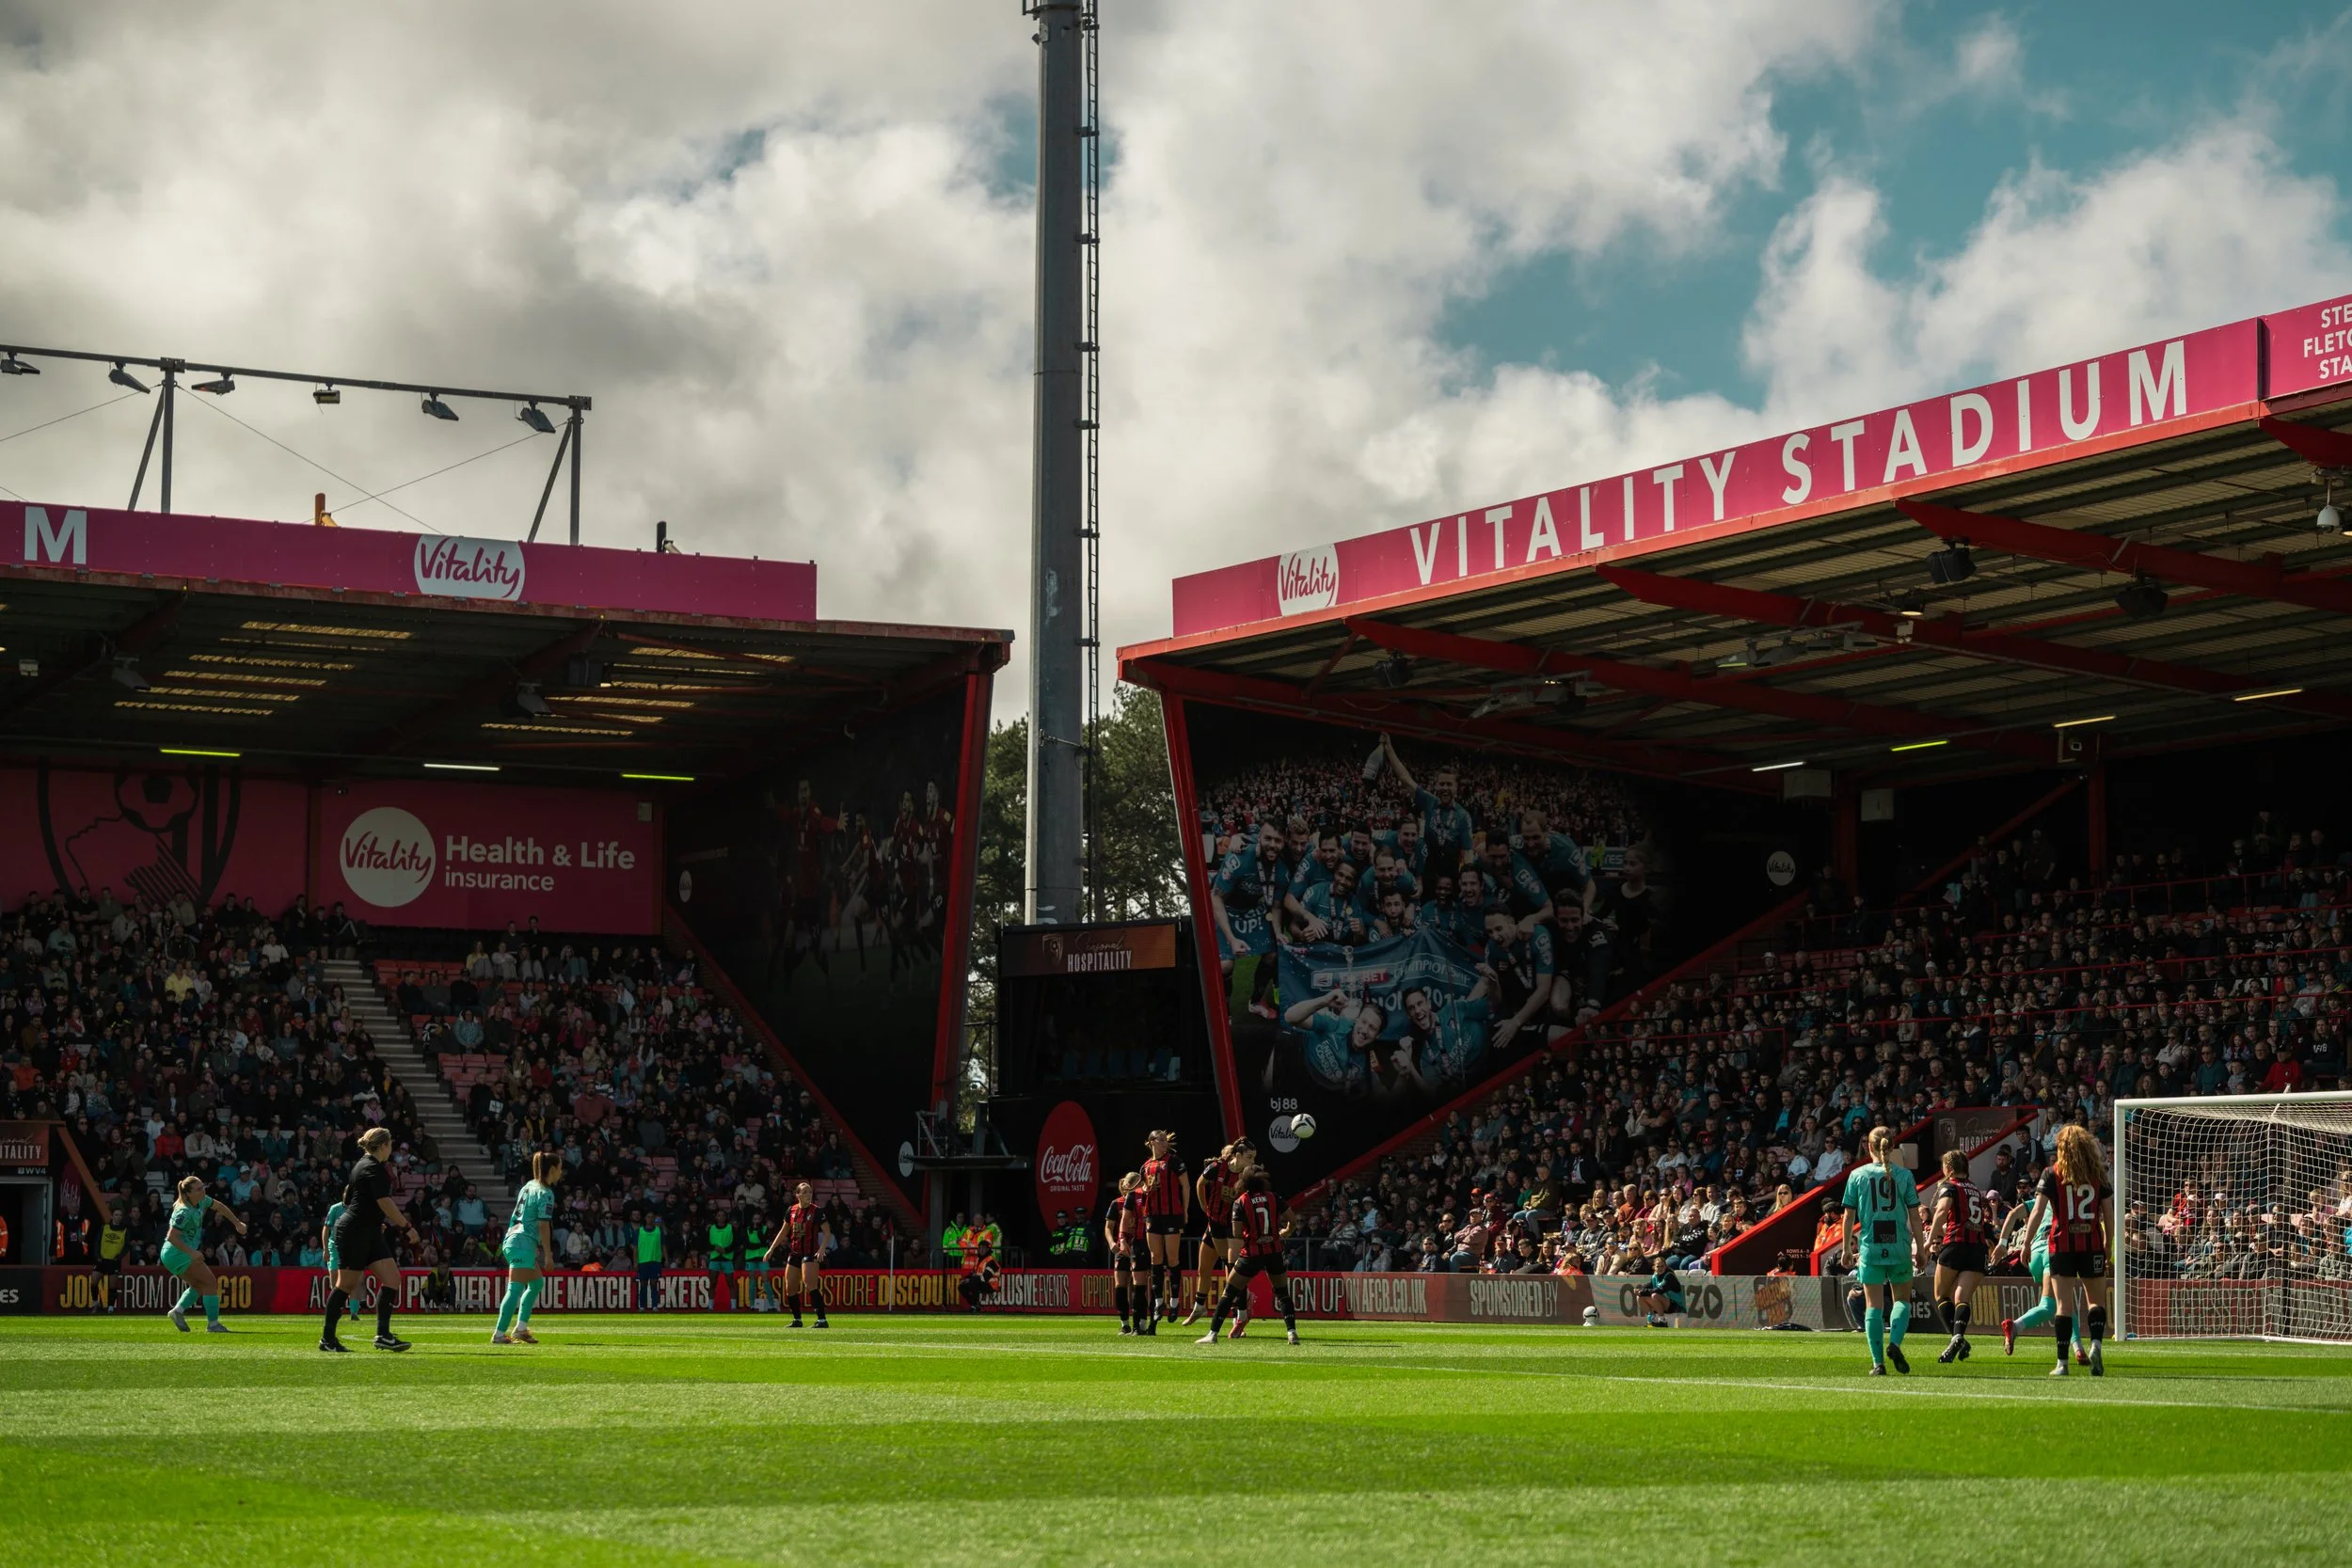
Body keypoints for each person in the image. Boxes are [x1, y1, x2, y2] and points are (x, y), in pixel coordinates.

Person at [2011, 1124, 2113, 1377]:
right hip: (2091, 1245)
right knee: (2095, 1302)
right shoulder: (2098, 1174)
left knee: (2063, 1307)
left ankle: (2062, 1364)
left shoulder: (2051, 1173)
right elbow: (2109, 1214)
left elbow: (2036, 1211)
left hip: (2062, 1245)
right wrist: (2108, 1244)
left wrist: (2026, 1243)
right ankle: (2096, 1346)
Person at [323, 1125, 421, 1354]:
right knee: (345, 1285)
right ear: (384, 1145)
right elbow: (384, 1201)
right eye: (390, 1145)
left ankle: (383, 1335)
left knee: (392, 1279)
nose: (391, 1150)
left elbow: (359, 1199)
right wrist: (407, 1227)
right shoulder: (373, 1167)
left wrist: (375, 1220)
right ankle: (327, 1339)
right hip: (355, 1231)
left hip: (368, 1230)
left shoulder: (365, 1165)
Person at [1838, 1125, 1926, 1376]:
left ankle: (1878, 1364)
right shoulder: (1905, 1176)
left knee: (1873, 1306)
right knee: (1902, 1300)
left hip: (1870, 1245)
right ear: (1893, 1146)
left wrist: (1846, 1247)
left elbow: (1848, 1216)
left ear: (1869, 1146)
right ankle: (1895, 1344)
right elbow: (1915, 1217)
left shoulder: (1857, 1175)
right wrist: (1920, 1248)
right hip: (1898, 1242)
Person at [1196, 1169, 1300, 1347]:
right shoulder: (1274, 1197)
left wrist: (1250, 1233)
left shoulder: (1241, 1202)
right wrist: (1284, 1232)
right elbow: (1292, 1220)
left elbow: (1236, 1233)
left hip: (1252, 1253)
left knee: (1229, 1293)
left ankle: (1212, 1334)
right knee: (1283, 1294)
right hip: (1274, 1250)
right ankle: (1291, 1332)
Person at [1995, 1191, 2088, 1366]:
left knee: (2064, 1301)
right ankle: (2015, 1326)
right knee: (2051, 1305)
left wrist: (2002, 1243)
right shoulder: (2068, 1201)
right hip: (2053, 1251)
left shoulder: (2038, 1202)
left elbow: (2013, 1214)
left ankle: (2078, 1349)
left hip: (2034, 1254)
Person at [160, 1175, 247, 1334]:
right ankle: (213, 1325)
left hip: (174, 1253)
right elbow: (172, 1237)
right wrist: (192, 1252)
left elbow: (219, 1207)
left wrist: (237, 1223)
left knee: (199, 1285)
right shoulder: (184, 1211)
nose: (203, 1190)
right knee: (210, 1284)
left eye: (202, 1186)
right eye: (199, 1188)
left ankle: (178, 1311)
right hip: (176, 1252)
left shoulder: (200, 1201)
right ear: (188, 1194)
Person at [1929, 1149, 1993, 1364]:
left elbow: (1942, 1209)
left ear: (1948, 1168)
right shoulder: (1975, 1189)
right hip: (1977, 1247)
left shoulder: (1950, 1185)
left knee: (1941, 1295)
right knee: (1962, 1298)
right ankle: (1958, 1337)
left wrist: (1930, 1238)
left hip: (1956, 1243)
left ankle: (1957, 1338)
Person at [492, 1150, 563, 1346]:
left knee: (536, 1284)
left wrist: (533, 1245)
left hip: (517, 1239)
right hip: (522, 1243)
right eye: (560, 1168)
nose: (561, 1172)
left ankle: (521, 1329)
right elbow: (543, 1225)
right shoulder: (546, 1193)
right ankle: (499, 1334)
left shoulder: (529, 1185)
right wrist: (548, 1255)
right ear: (553, 1169)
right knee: (515, 1288)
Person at [1185, 1142, 1244, 1326]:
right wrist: (1204, 1206)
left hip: (1231, 1228)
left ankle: (1238, 1314)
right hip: (1214, 1225)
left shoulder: (1245, 1175)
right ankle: (1199, 1306)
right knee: (1203, 1269)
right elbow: (1200, 1184)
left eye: (1229, 1152)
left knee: (1231, 1269)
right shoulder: (1218, 1169)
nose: (1226, 1155)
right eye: (1224, 1153)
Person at [764, 1180, 830, 1328]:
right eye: (805, 1192)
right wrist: (772, 1248)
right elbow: (783, 1231)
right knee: (790, 1287)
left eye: (810, 1192)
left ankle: (822, 1320)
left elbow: (827, 1232)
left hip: (810, 1252)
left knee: (809, 1283)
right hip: (794, 1252)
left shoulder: (817, 1211)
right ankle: (797, 1319)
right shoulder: (791, 1210)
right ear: (798, 1195)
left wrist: (822, 1249)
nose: (809, 1195)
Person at [1140, 1130, 1189, 1326]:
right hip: (1152, 1215)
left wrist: (1185, 1211)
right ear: (1151, 1142)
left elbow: (1185, 1186)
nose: (1163, 1144)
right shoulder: (1145, 1166)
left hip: (1172, 1215)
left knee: (1173, 1258)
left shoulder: (1174, 1161)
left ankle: (1175, 1302)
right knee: (1155, 1258)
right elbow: (1145, 1189)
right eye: (1159, 1140)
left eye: (1164, 1141)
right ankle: (1159, 1303)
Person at [1104, 1172, 1151, 1335]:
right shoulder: (1116, 1204)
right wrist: (1112, 1243)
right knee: (1120, 1286)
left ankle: (1142, 1323)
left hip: (1140, 1245)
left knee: (1140, 1287)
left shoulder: (1144, 1200)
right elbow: (1109, 1227)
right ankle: (1125, 1323)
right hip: (1122, 1248)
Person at [318, 1198, 363, 1328]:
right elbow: (326, 1229)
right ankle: (337, 1309)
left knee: (354, 1280)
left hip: (352, 1248)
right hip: (335, 1248)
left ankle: (354, 1312)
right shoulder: (335, 1208)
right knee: (335, 1281)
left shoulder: (357, 1208)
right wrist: (325, 1249)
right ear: (344, 1195)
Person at [1636, 1253, 1684, 1326]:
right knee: (1639, 1297)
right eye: (1658, 1266)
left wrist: (1642, 1292)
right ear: (1654, 1267)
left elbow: (1660, 1290)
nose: (1660, 1268)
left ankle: (1662, 1321)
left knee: (1655, 1295)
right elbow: (1648, 1286)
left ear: (1665, 1266)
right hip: (1664, 1304)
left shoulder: (1669, 1276)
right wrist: (1639, 1290)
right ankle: (1652, 1320)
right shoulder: (1655, 1276)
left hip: (1675, 1305)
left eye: (1662, 1266)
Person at [633, 1211, 665, 1311]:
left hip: (655, 1261)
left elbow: (663, 1246)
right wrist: (635, 1261)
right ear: (645, 1218)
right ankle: (642, 1306)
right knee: (643, 1285)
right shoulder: (639, 1231)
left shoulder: (659, 1231)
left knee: (654, 1284)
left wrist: (666, 1259)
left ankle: (654, 1305)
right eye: (648, 1217)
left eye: (652, 1217)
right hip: (643, 1261)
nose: (650, 1219)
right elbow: (635, 1248)